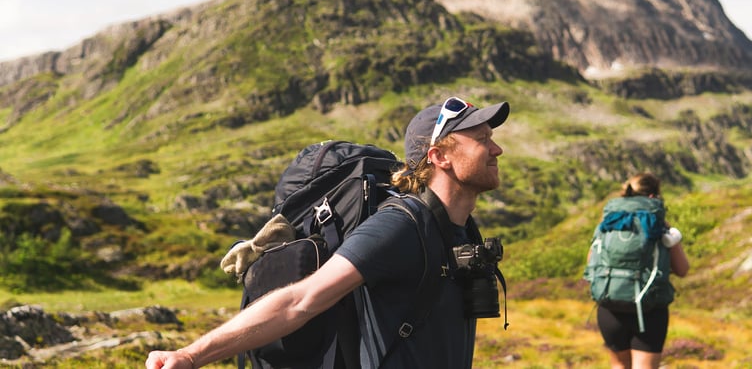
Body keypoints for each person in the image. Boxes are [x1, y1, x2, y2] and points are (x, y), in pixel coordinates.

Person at [146, 96, 510, 369]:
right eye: (481, 139)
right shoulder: (400, 226)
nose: (497, 148)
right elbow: (299, 301)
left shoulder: (461, 231)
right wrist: (190, 355)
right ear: (439, 157)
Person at [594, 173, 690, 369]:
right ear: (653, 197)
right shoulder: (659, 225)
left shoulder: (609, 222)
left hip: (609, 307)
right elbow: (682, 269)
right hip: (649, 309)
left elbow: (592, 263)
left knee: (619, 366)